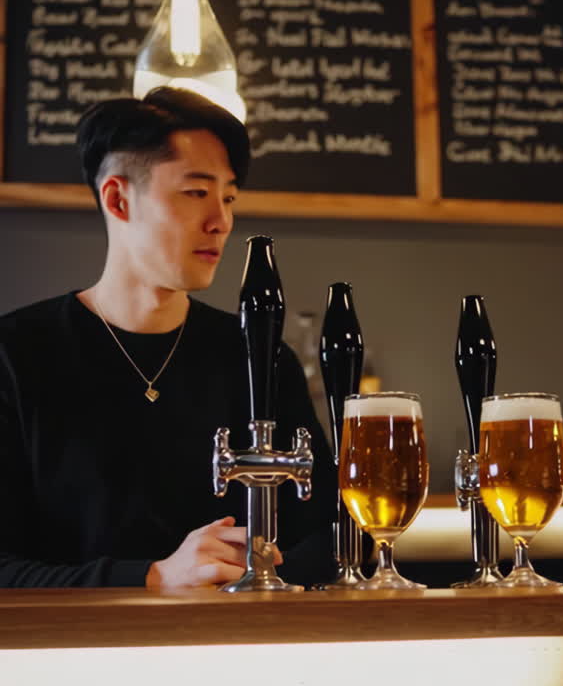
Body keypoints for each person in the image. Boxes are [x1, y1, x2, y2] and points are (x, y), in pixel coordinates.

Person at [0, 87, 336, 590]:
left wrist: (260, 572)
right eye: (196, 193)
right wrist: (151, 578)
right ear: (118, 198)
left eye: (228, 198)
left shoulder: (257, 356)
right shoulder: (16, 355)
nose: (221, 221)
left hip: (239, 652)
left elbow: (330, 534)